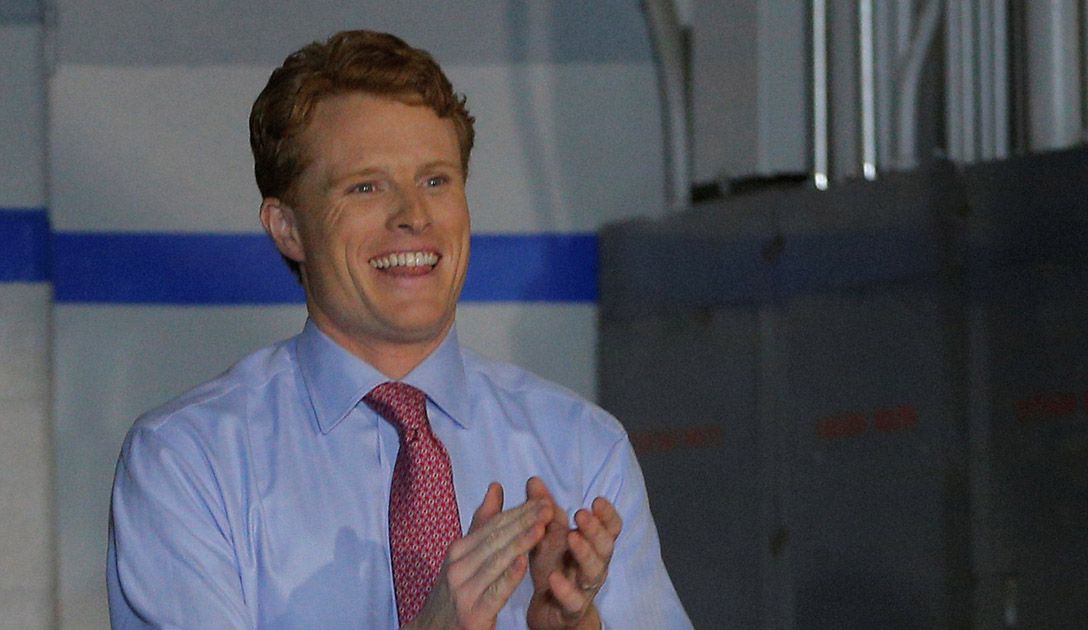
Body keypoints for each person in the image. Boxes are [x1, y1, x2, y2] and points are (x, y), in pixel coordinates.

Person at [107, 30, 691, 629]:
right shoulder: (189, 461)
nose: (413, 216)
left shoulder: (583, 449)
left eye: (436, 180)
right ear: (287, 228)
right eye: (365, 186)